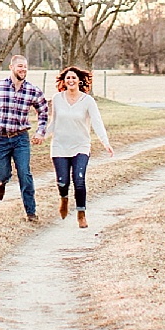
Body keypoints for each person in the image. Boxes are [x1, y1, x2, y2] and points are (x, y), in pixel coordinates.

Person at [0, 54, 50, 221]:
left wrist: (40, 131)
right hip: (0, 139)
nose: (23, 69)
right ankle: (1, 181)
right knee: (4, 172)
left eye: (25, 67)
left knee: (24, 173)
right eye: (20, 66)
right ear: (12, 67)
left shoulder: (32, 90)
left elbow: (43, 111)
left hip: (21, 138)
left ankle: (31, 212)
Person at [46, 65, 113, 228]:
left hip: (80, 146)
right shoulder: (57, 99)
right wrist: (41, 135)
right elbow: (53, 122)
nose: (71, 80)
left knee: (79, 180)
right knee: (62, 182)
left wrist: (105, 142)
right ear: (64, 81)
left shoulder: (87, 101)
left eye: (74, 78)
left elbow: (97, 122)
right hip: (60, 146)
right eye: (68, 78)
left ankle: (81, 214)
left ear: (79, 80)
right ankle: (64, 199)